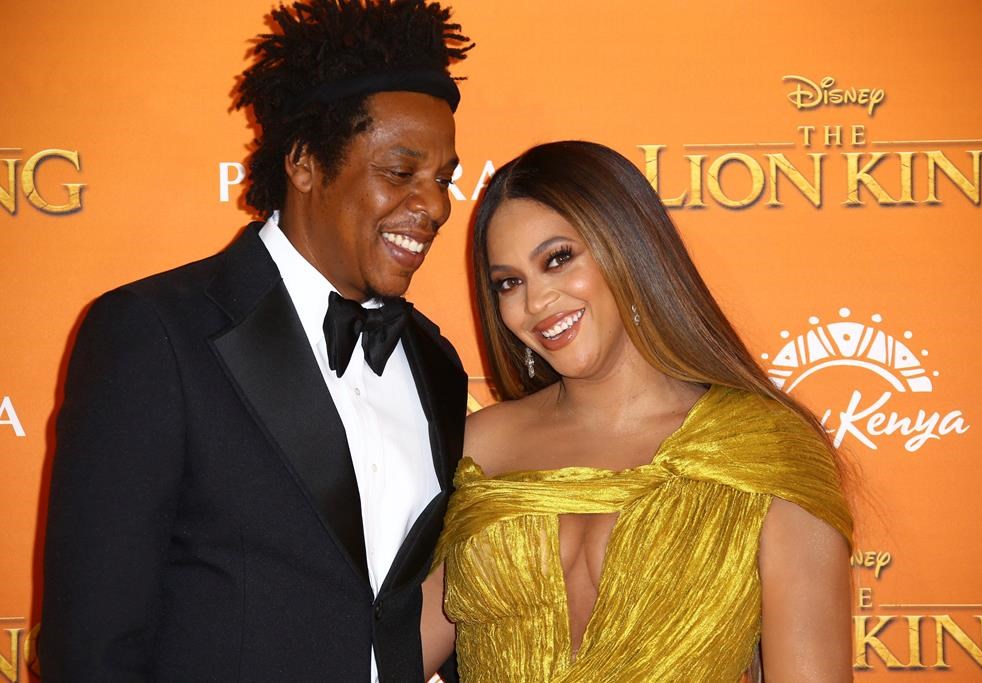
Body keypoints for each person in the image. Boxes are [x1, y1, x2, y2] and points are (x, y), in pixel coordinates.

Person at [40, 1, 470, 680]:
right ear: (304, 163)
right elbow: (93, 648)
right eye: (401, 172)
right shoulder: (155, 333)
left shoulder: (435, 363)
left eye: (443, 180)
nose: (438, 205)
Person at [421, 141, 853, 682]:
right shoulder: (477, 447)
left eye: (558, 259)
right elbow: (388, 655)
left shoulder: (764, 450)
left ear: (628, 248)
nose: (534, 304)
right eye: (510, 283)